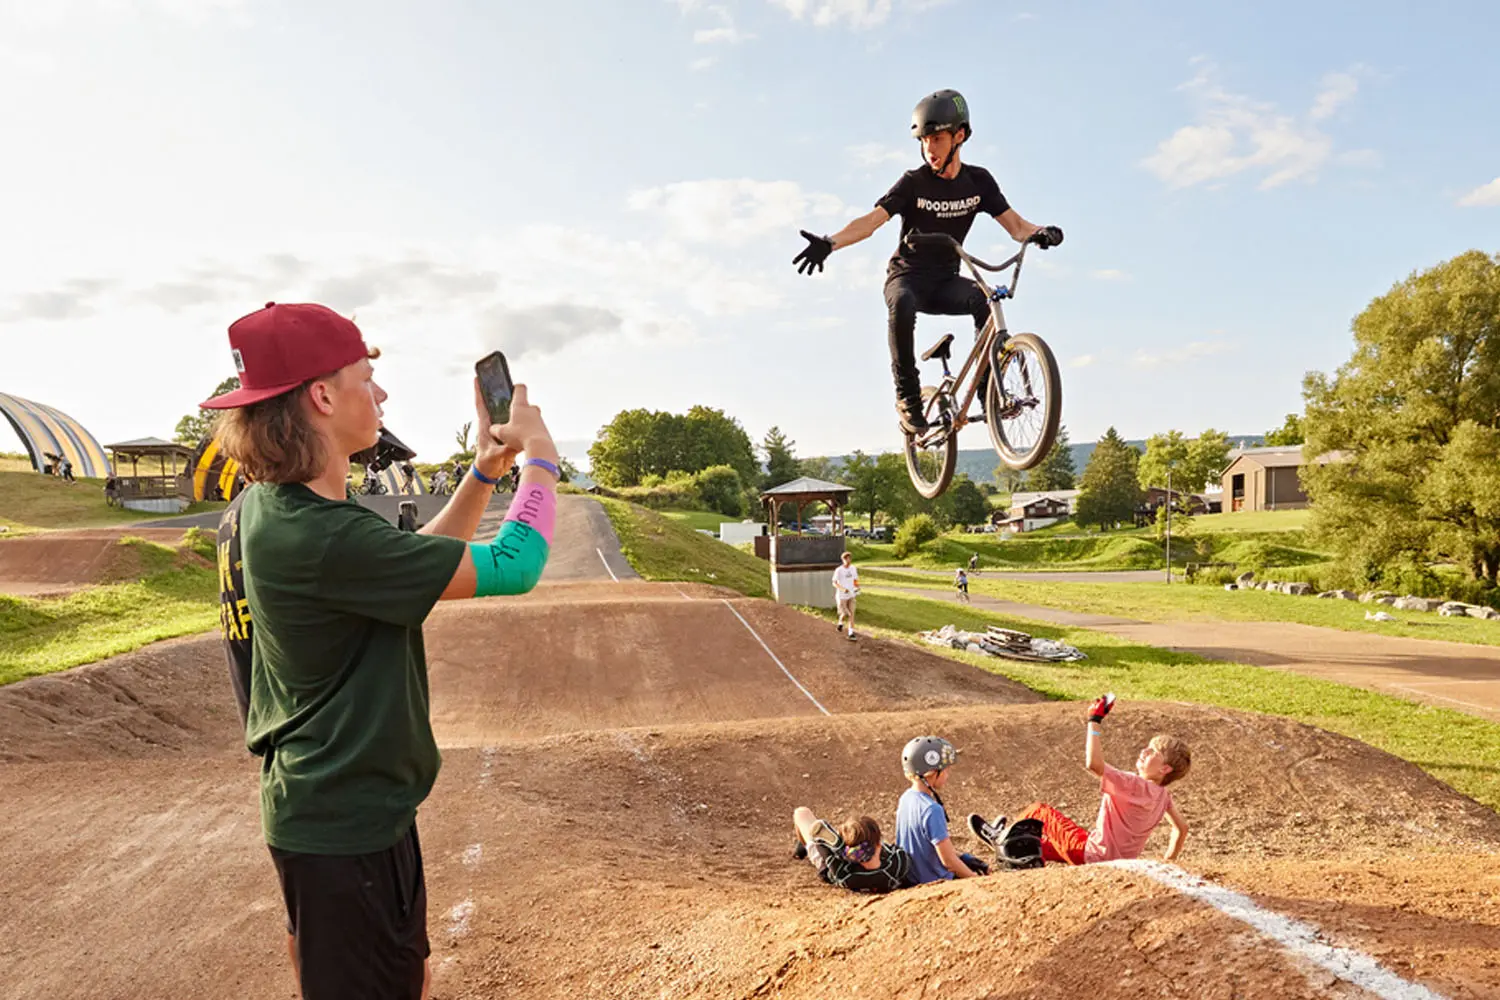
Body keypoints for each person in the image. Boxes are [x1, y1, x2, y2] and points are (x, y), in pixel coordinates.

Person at [204, 301, 563, 1000]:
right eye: (368, 378)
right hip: (345, 829)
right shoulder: (321, 536)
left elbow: (413, 567)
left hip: (337, 815)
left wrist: (486, 471)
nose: (381, 394)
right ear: (322, 396)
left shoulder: (272, 512)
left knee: (399, 978)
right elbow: (517, 565)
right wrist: (542, 459)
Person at [793, 89, 1064, 434]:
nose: (929, 149)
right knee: (903, 304)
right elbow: (872, 221)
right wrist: (830, 243)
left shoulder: (979, 182)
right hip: (906, 276)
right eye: (924, 141)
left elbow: (1016, 227)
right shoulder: (913, 183)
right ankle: (908, 396)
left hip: (945, 280)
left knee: (984, 299)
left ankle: (987, 392)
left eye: (937, 139)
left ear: (959, 136)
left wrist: (1041, 233)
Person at [967, 695, 1191, 867]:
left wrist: (1094, 721)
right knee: (1040, 844)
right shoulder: (1163, 796)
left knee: (1039, 811)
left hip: (1093, 855)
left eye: (1152, 752)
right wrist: (1168, 861)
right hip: (1120, 864)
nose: (1144, 751)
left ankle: (1000, 837)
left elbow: (1094, 764)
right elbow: (1181, 829)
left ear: (1165, 769)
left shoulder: (1134, 784)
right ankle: (1016, 854)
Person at [895, 736, 990, 885]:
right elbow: (948, 862)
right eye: (946, 770)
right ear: (932, 772)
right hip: (933, 881)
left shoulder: (906, 799)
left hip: (912, 879)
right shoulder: (932, 810)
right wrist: (975, 880)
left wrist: (964, 858)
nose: (948, 775)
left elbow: (924, 847)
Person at [789, 809, 910, 894]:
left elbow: (826, 853)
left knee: (801, 813)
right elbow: (897, 852)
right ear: (878, 844)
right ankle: (844, 847)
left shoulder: (845, 876)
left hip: (833, 863)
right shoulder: (897, 867)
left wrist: (840, 850)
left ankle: (836, 847)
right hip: (848, 862)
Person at [832, 550, 860, 640]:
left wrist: (857, 587)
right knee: (845, 613)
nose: (848, 560)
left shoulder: (853, 568)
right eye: (846, 559)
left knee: (851, 614)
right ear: (843, 560)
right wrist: (843, 589)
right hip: (841, 596)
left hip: (851, 595)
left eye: (849, 558)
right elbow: (834, 583)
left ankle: (851, 633)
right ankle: (840, 623)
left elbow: (855, 580)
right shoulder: (839, 570)